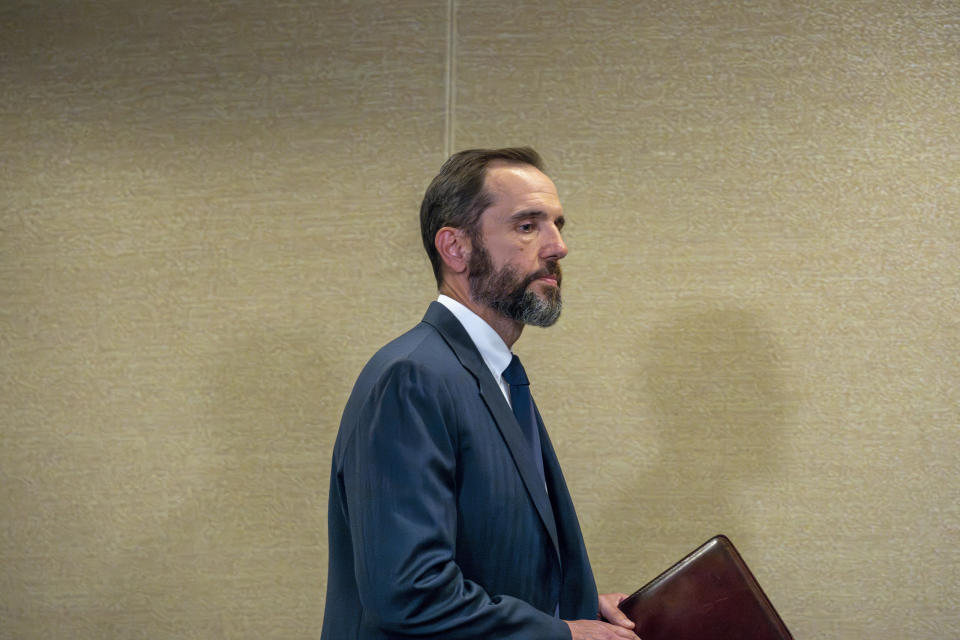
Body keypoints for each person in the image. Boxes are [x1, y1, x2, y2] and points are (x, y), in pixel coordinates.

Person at [321, 147, 638, 639]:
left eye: (557, 225)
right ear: (456, 248)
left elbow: (485, 556)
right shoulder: (413, 377)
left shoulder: (495, 374)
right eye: (528, 226)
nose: (558, 247)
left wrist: (566, 604)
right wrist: (562, 636)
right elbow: (410, 594)